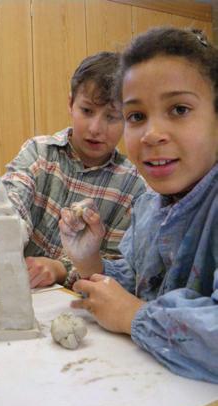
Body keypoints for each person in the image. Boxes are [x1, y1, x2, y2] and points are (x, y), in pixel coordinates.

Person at [59, 27, 218, 383]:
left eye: (179, 109)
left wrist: (134, 317)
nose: (151, 134)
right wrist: (89, 261)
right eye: (136, 116)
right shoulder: (149, 206)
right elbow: (136, 283)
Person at [0, 51, 146, 288]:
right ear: (71, 104)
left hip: (77, 303)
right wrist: (0, 220)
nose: (95, 128)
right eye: (87, 111)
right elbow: (15, 192)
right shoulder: (39, 152)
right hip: (14, 285)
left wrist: (59, 269)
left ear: (128, 119)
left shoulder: (132, 185)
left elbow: (116, 264)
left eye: (112, 117)